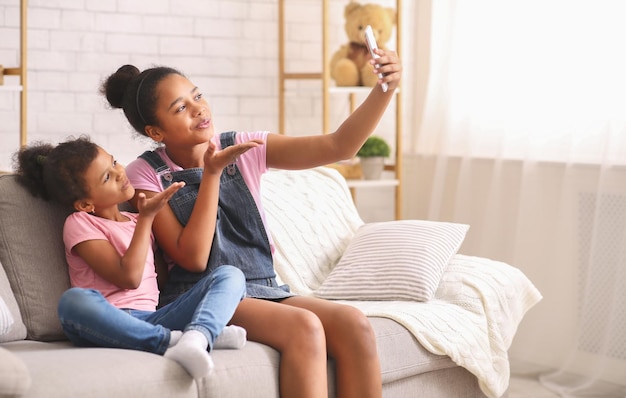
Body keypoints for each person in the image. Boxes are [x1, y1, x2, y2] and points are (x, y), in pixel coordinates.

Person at [102, 47, 401, 398]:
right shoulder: (145, 174)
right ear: (156, 132)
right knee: (304, 326)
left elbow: (339, 145)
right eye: (181, 108)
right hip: (202, 294)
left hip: (264, 286)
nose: (199, 108)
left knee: (355, 325)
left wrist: (385, 88)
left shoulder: (244, 146)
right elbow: (194, 258)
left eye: (197, 95)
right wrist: (212, 173)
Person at [13, 136, 253, 379]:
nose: (119, 172)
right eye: (106, 177)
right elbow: (129, 277)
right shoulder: (80, 223)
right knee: (73, 302)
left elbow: (159, 281)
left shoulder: (138, 221)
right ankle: (177, 339)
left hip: (155, 317)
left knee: (231, 275)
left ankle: (197, 336)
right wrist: (147, 219)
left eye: (114, 162)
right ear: (86, 204)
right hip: (109, 321)